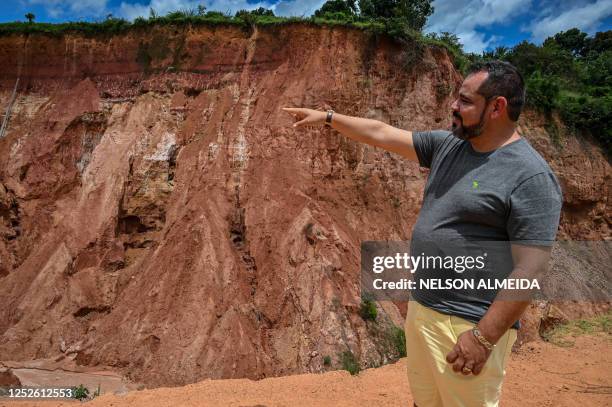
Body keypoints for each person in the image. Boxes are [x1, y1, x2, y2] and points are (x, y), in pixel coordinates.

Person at [281, 60, 563, 407]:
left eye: (465, 101)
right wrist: (328, 118)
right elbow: (380, 132)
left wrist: (483, 337)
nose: (453, 107)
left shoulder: (531, 177)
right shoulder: (449, 146)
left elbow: (530, 269)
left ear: (497, 107)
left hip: (468, 323)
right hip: (423, 308)